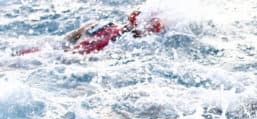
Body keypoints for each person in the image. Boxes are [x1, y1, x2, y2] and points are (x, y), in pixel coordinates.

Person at [14, 10, 164, 56]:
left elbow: (64, 40)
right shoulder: (128, 45)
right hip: (67, 60)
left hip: (49, 52)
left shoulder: (99, 24)